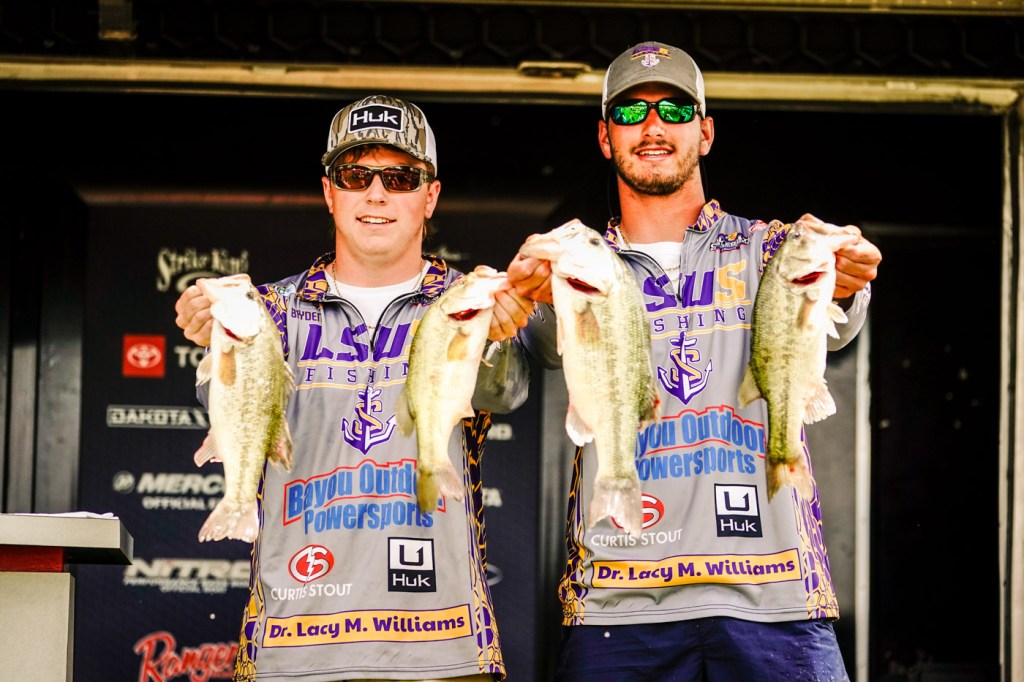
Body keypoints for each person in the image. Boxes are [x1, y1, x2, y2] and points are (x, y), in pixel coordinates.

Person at [508, 42, 882, 681]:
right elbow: (535, 351)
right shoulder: (575, 264)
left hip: (774, 595)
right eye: (631, 113)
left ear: (704, 132)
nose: (653, 126)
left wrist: (845, 283)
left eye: (675, 110)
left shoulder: (772, 248)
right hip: (619, 599)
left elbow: (838, 329)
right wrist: (521, 297)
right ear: (605, 138)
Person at [174, 94, 534, 682]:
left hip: (443, 648)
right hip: (291, 647)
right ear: (329, 191)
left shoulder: (468, 298)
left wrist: (496, 337)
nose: (377, 193)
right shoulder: (267, 310)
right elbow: (220, 412)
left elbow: (508, 392)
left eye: (400, 177)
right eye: (355, 175)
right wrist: (211, 340)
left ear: (430, 196)